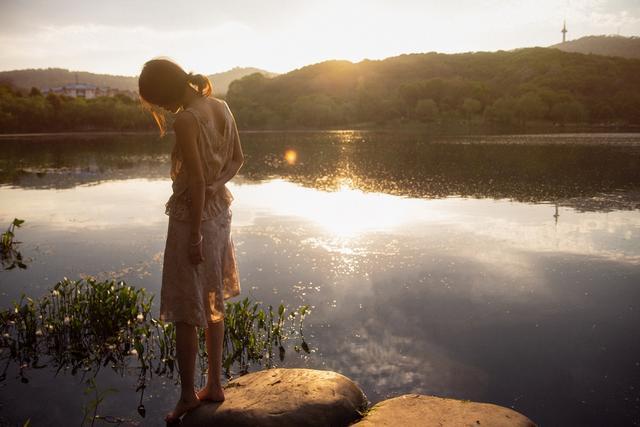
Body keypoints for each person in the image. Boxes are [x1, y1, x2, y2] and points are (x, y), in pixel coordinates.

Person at [138, 57, 243, 423]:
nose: (161, 108)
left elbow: (196, 182)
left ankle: (187, 395)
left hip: (192, 219)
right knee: (213, 298)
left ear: (166, 92)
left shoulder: (186, 119)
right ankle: (214, 383)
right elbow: (237, 161)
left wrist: (194, 232)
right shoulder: (221, 106)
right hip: (220, 213)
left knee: (185, 311)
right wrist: (218, 185)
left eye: (157, 100)